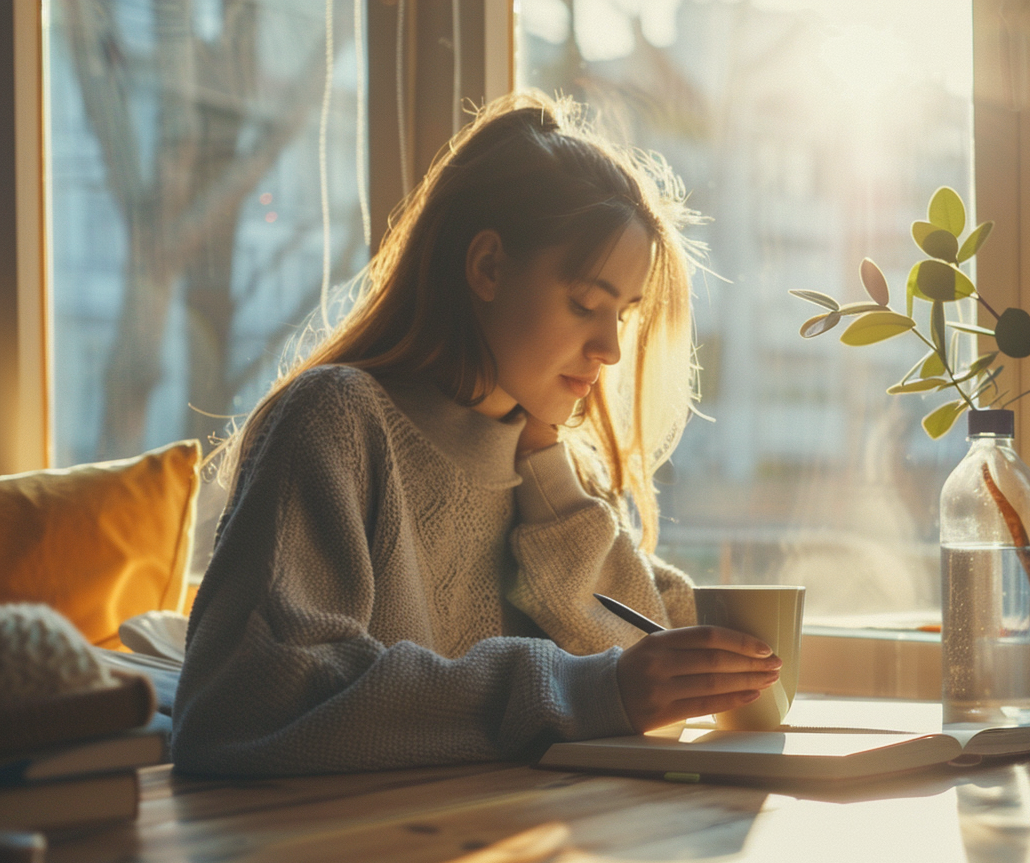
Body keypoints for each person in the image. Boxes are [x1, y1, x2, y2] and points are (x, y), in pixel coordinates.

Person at [170, 92, 782, 776]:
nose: (610, 348)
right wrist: (575, 690)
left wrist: (550, 474)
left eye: (624, 315)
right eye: (585, 303)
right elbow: (245, 707)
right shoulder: (338, 423)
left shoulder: (548, 471)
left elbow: (650, 649)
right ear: (487, 266)